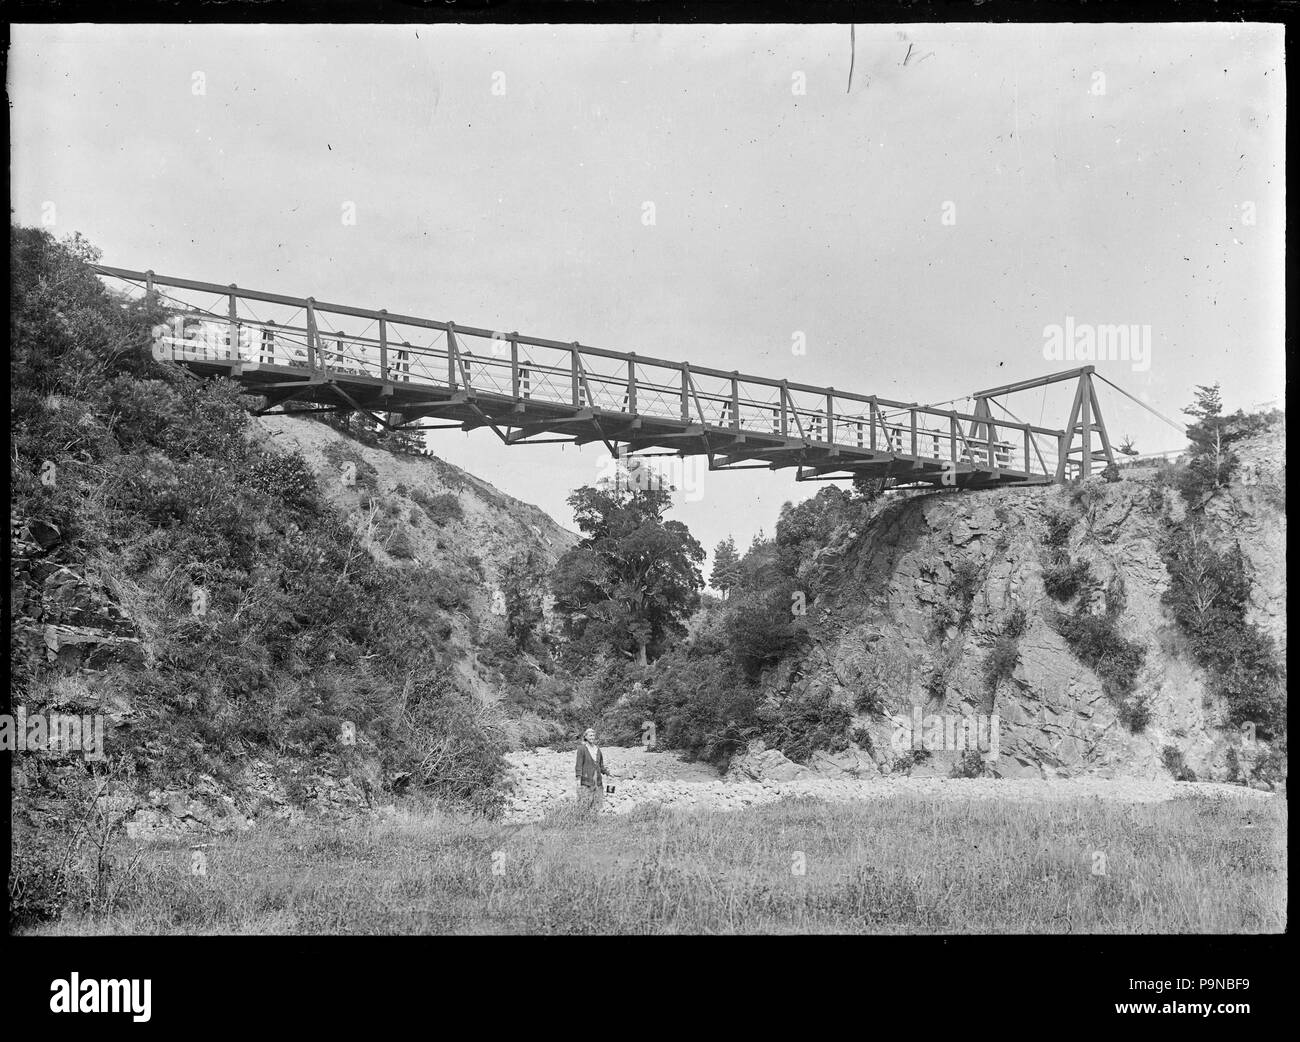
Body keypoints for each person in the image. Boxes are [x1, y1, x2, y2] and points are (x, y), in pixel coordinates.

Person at [575, 727, 615, 809]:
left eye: (593, 735)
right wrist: (578, 779)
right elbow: (578, 765)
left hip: (597, 781)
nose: (592, 737)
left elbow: (600, 765)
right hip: (586, 781)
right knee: (585, 804)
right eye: (590, 735)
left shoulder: (598, 749)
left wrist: (608, 773)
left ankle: (595, 819)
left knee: (597, 804)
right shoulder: (581, 749)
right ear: (585, 737)